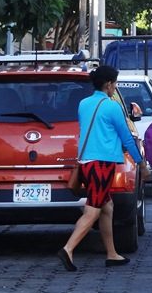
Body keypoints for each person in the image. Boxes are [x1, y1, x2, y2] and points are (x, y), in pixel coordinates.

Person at [57, 65, 144, 272]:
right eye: (115, 83)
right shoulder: (112, 107)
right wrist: (140, 161)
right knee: (93, 210)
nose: (115, 87)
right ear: (109, 84)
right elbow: (127, 138)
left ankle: (112, 253)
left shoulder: (83, 104)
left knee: (107, 206)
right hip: (102, 164)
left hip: (86, 162)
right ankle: (68, 249)